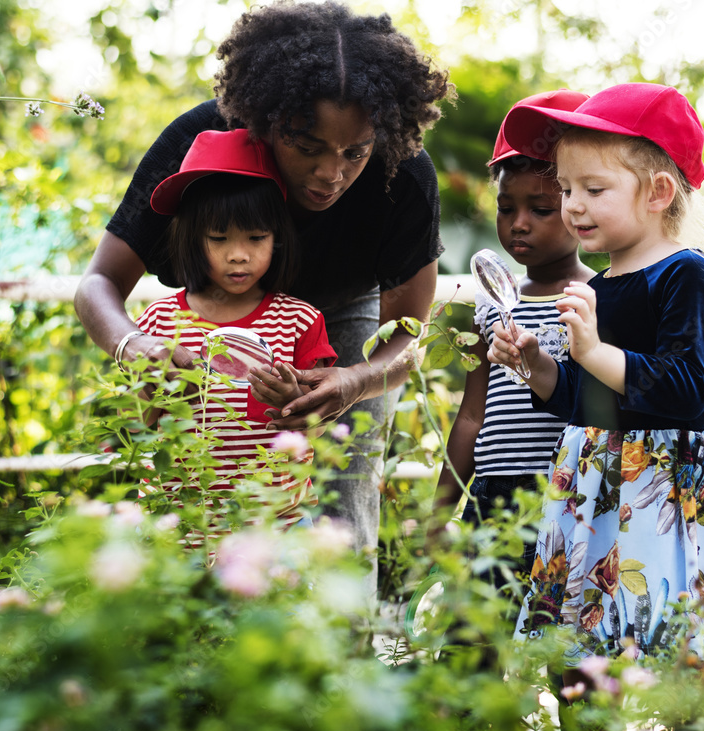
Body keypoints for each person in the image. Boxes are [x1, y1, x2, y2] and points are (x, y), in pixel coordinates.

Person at [74, 1, 453, 592]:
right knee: (196, 479)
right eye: (309, 147)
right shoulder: (202, 137)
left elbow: (406, 337)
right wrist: (134, 347)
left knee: (342, 485)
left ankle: (335, 655)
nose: (333, 173)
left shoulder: (403, 172)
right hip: (208, 318)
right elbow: (98, 285)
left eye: (355, 152)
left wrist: (352, 381)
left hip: (344, 318)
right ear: (266, 122)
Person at [488, 82, 704, 667]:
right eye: (567, 189)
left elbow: (684, 388)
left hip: (666, 487)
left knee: (675, 637)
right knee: (587, 644)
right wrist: (538, 365)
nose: (573, 205)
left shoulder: (685, 275)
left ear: (658, 192)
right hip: (599, 480)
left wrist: (592, 350)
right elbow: (583, 399)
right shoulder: (597, 286)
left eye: (594, 189)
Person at [134, 128, 336, 531]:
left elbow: (321, 419)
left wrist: (291, 397)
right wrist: (159, 393)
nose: (238, 254)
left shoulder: (299, 320)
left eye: (256, 237)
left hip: (274, 523)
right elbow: (139, 423)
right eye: (219, 238)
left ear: (277, 238)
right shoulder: (157, 323)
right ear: (192, 239)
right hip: (181, 521)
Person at [434, 89, 590, 603]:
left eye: (540, 208)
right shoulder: (490, 303)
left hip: (566, 494)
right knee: (473, 640)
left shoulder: (597, 297)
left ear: (577, 203)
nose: (518, 222)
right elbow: (473, 415)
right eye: (506, 207)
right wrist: (440, 511)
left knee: (565, 644)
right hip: (493, 497)